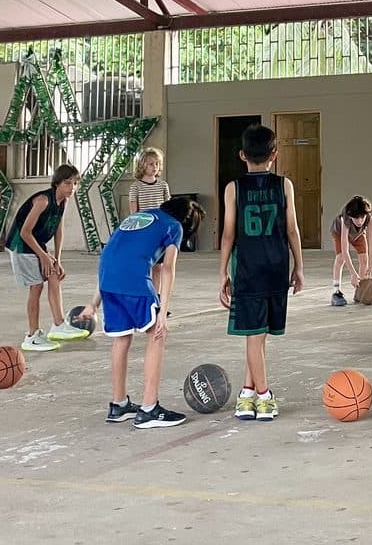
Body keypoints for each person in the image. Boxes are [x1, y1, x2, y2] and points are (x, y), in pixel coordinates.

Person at [78, 194, 205, 428]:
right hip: (132, 280)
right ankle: (149, 409)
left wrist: (93, 303)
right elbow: (167, 270)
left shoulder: (139, 218)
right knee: (157, 334)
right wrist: (163, 314)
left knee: (121, 339)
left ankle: (118, 405)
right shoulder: (173, 226)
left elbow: (117, 257)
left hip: (108, 281)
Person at [218, 125, 304, 421]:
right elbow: (292, 229)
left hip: (248, 268)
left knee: (256, 335)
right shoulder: (285, 185)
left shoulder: (234, 188)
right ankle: (257, 395)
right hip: (277, 266)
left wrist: (222, 274)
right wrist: (299, 267)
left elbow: (228, 235)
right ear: (274, 155)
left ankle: (252, 395)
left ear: (242, 155)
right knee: (258, 335)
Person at [8, 163, 87, 352]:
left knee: (54, 274)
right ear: (57, 183)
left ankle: (59, 325)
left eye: (76, 184)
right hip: (20, 244)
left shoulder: (63, 202)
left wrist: (57, 259)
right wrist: (43, 256)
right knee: (36, 286)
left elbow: (58, 229)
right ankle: (32, 336)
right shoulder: (43, 200)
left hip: (36, 244)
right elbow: (25, 232)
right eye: (68, 183)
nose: (72, 188)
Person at [329, 195, 372, 306]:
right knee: (340, 258)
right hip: (339, 233)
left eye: (362, 217)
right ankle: (336, 292)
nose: (359, 221)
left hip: (357, 235)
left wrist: (371, 267)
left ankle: (359, 291)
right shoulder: (345, 220)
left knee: (364, 259)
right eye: (356, 218)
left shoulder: (369, 220)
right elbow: (345, 251)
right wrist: (353, 274)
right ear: (350, 216)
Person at [127, 147, 170, 217]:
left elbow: (168, 208)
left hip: (160, 220)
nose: (155, 166)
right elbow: (133, 212)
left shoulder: (163, 185)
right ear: (142, 165)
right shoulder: (135, 187)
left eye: (157, 163)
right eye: (151, 164)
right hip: (144, 222)